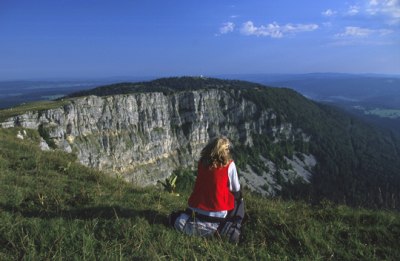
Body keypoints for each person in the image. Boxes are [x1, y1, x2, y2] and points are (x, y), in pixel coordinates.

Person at [169, 137, 245, 243]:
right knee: (239, 200)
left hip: (194, 209)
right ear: (224, 150)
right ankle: (236, 222)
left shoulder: (201, 162)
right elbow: (236, 190)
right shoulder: (230, 165)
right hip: (218, 214)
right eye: (227, 148)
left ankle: (192, 224)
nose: (229, 151)